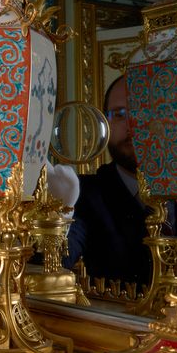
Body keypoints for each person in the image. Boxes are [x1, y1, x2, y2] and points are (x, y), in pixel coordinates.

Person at [60, 75, 167, 285]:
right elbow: (56, 259)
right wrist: (56, 216)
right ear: (105, 123)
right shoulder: (84, 193)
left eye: (143, 112)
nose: (132, 125)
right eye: (119, 114)